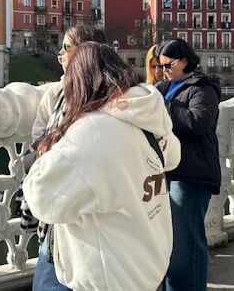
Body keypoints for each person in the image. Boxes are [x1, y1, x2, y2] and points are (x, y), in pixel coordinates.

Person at [23, 42, 181, 291]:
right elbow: (172, 157)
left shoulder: (93, 131)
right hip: (148, 261)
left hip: (110, 273)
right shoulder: (146, 113)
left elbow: (43, 199)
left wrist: (38, 159)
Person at [26, 24, 106, 291]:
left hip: (73, 210)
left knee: (52, 282)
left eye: (66, 48)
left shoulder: (104, 96)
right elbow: (38, 139)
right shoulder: (56, 93)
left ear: (86, 52)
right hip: (65, 209)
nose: (60, 53)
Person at [155, 38, 221, 291]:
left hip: (191, 175)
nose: (164, 70)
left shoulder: (203, 87)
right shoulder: (162, 88)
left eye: (168, 65)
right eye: (160, 66)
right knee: (169, 243)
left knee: (187, 244)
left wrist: (162, 108)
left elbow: (198, 122)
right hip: (167, 172)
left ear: (184, 60)